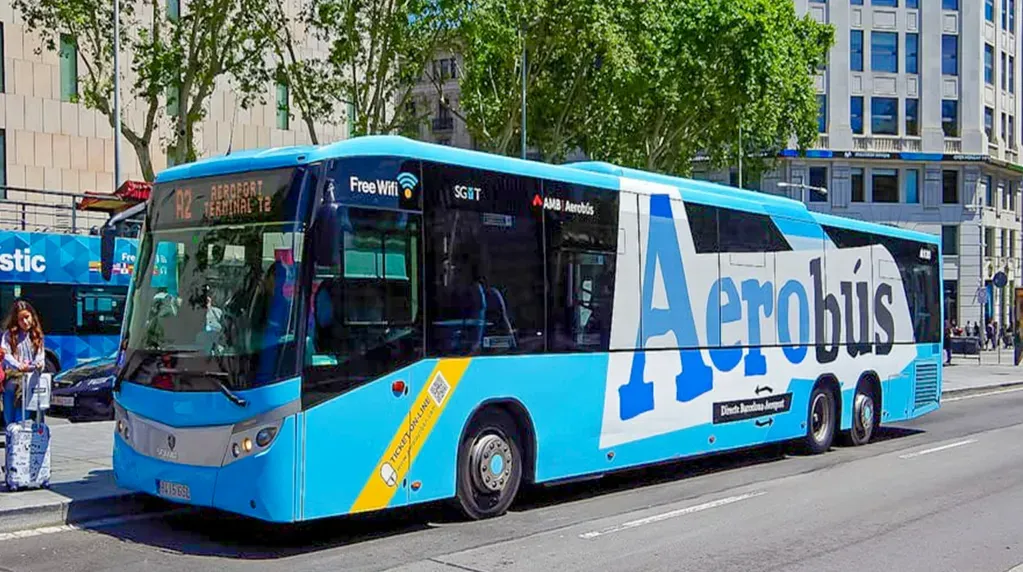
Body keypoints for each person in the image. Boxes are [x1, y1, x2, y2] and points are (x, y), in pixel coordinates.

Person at [1, 300, 45, 426]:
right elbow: (5, 354)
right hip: (12, 379)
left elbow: (40, 356)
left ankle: (19, 439)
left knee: (22, 416)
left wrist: (38, 364)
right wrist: (18, 365)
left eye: (27, 317)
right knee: (9, 415)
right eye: (21, 319)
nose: (25, 322)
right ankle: (11, 438)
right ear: (16, 320)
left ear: (32, 316)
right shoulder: (9, 335)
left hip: (29, 381)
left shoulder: (37, 335)